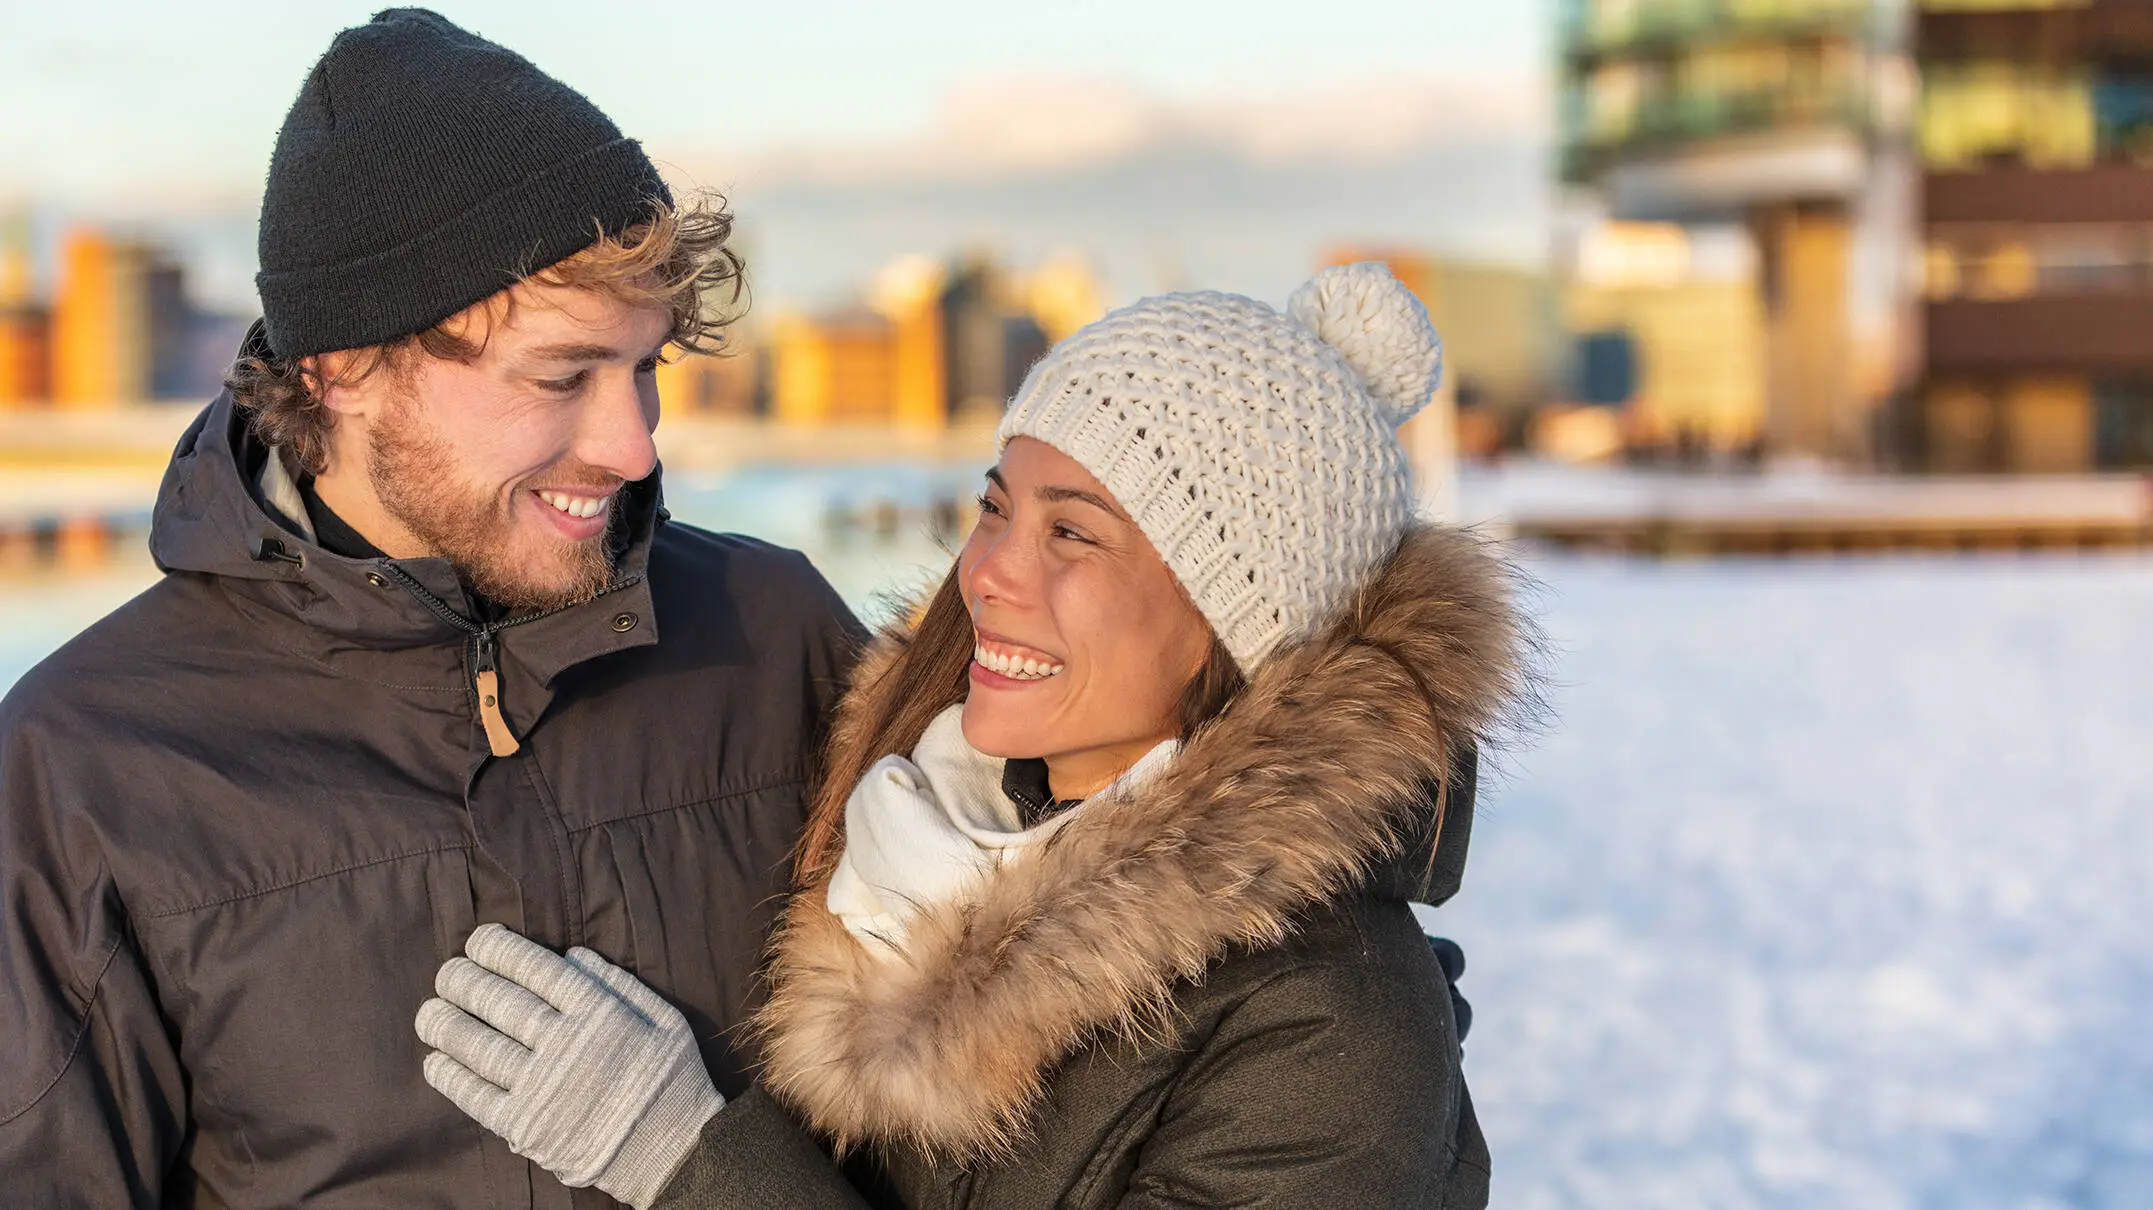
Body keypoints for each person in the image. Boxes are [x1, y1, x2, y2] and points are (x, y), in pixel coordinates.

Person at [415, 263, 1534, 1209]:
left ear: (1231, 625)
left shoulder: (1332, 1030)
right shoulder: (906, 835)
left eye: (1072, 535)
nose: (988, 573)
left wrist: (688, 1161)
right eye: (995, 507)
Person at [0, 10, 859, 1206]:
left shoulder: (780, 638)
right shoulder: (86, 765)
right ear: (340, 368)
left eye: (644, 369)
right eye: (561, 376)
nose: (631, 444)